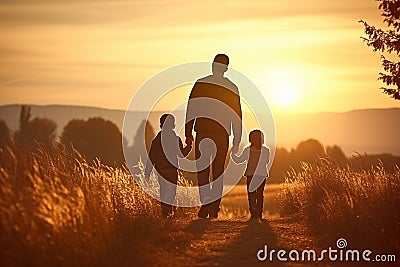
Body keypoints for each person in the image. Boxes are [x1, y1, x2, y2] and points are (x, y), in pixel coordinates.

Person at [185, 54, 242, 219]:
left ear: (214, 66)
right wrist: (236, 139)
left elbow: (191, 108)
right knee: (218, 172)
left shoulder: (201, 83)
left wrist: (189, 133)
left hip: (203, 132)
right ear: (226, 68)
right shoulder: (231, 87)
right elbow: (236, 114)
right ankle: (213, 207)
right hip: (221, 135)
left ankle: (206, 204)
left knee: (203, 171)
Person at [145, 114, 192, 218]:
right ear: (173, 125)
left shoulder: (156, 140)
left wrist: (147, 173)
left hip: (161, 171)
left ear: (161, 125)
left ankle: (165, 215)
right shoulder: (176, 139)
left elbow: (151, 157)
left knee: (163, 193)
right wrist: (189, 146)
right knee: (171, 194)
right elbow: (182, 154)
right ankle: (169, 214)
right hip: (172, 171)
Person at [231, 130, 270, 220]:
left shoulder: (247, 150)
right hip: (261, 175)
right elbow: (266, 162)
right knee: (260, 194)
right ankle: (259, 213)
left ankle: (253, 212)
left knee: (251, 194)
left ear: (250, 139)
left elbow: (239, 160)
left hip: (250, 175)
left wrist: (232, 155)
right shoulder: (266, 151)